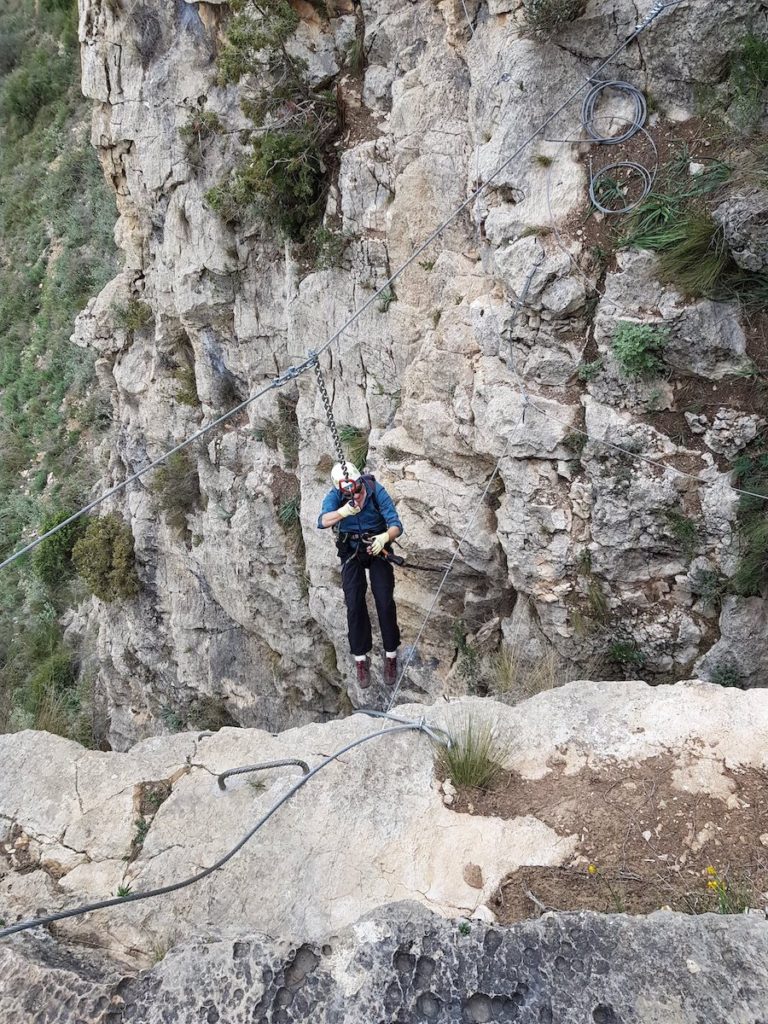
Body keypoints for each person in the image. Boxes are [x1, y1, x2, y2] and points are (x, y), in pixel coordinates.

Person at [317, 462, 403, 687]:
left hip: (376, 547)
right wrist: (343, 512)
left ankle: (391, 654)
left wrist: (384, 538)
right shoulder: (336, 496)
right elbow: (323, 520)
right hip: (351, 551)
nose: (354, 492)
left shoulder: (375, 491)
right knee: (354, 603)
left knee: (384, 601)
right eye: (348, 490)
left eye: (356, 487)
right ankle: (360, 659)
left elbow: (396, 525)